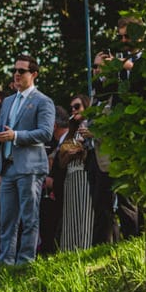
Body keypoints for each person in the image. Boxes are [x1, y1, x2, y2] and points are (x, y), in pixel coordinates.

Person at [0, 55, 55, 265]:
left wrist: (16, 136)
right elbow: (3, 127)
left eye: (22, 71)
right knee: (6, 221)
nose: (17, 74)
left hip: (30, 167)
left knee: (29, 218)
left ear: (34, 74)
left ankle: (26, 262)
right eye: (15, 70)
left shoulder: (43, 101)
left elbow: (46, 133)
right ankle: (5, 265)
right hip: (8, 166)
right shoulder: (8, 101)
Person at [54, 98, 95, 252]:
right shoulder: (72, 132)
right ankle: (70, 250)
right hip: (70, 178)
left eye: (77, 106)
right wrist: (70, 153)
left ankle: (85, 248)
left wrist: (80, 151)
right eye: (71, 108)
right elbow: (62, 162)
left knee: (84, 214)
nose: (73, 110)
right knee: (71, 217)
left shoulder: (91, 127)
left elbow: (88, 154)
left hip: (85, 176)